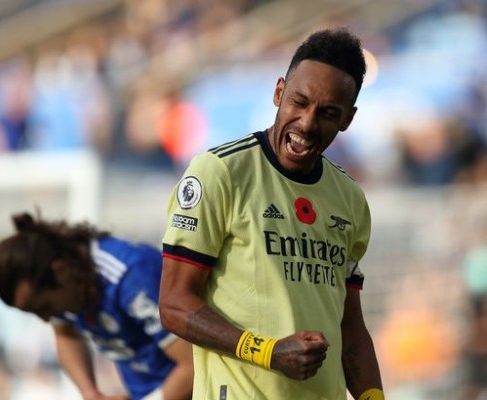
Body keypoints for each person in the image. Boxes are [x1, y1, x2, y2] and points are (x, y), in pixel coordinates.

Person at [159, 27, 384, 400]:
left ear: (348, 119)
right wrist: (266, 352)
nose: (308, 124)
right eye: (300, 102)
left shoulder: (349, 199)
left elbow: (351, 326)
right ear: (279, 91)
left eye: (328, 113)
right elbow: (173, 304)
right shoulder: (220, 173)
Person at [0, 212, 194, 400]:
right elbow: (65, 335)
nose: (45, 318)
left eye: (43, 307)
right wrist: (91, 393)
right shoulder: (66, 288)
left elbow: (193, 366)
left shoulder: (129, 278)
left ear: (60, 270)